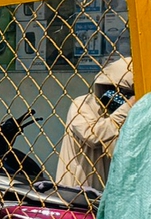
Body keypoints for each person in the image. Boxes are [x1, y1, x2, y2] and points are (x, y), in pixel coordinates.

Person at [58, 56, 136, 191]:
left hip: (107, 191)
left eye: (128, 94)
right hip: (77, 191)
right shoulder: (83, 104)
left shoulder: (123, 115)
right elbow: (92, 136)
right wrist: (127, 107)